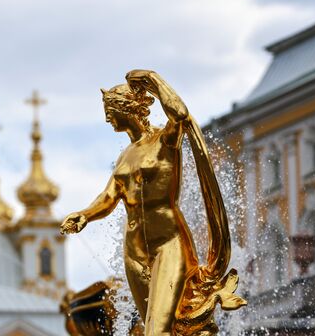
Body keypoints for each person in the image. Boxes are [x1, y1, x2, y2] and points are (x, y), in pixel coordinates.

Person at [61, 70, 245, 336]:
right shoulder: (125, 156)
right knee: (152, 327)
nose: (107, 117)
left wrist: (153, 80)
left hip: (167, 244)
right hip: (133, 251)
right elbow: (110, 196)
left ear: (127, 108)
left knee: (157, 331)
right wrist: (85, 215)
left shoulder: (165, 140)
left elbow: (181, 114)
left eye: (110, 109)